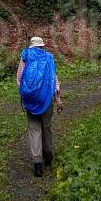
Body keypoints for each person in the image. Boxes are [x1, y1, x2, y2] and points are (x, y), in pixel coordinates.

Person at [17, 36, 62, 177]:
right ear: (42, 46)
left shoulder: (25, 57)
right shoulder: (48, 58)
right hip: (46, 100)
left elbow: (19, 79)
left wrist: (26, 96)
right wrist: (58, 99)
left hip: (30, 101)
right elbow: (53, 79)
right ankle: (48, 157)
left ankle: (37, 164)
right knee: (46, 127)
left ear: (31, 46)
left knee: (34, 129)